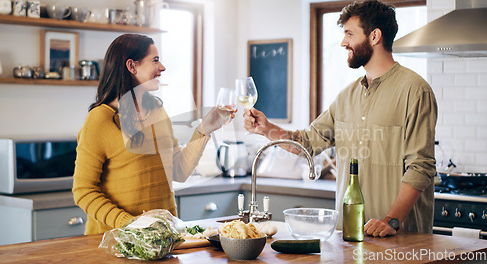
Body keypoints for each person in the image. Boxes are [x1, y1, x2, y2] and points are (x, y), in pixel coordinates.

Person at [244, 0, 437, 237]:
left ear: (374, 36)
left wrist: (391, 221)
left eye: (349, 33)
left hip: (401, 238)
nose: (344, 41)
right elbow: (309, 142)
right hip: (349, 236)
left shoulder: (415, 91)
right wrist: (267, 129)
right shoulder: (346, 96)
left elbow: (421, 167)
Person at [73, 34, 233, 235]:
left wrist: (204, 130)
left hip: (163, 238)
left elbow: (179, 171)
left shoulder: (157, 111)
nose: (162, 67)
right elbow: (83, 191)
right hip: (116, 241)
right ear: (132, 66)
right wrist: (130, 223)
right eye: (155, 60)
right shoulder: (100, 119)